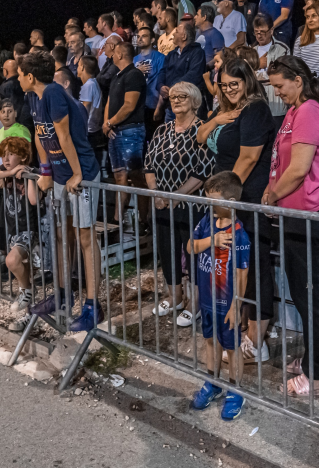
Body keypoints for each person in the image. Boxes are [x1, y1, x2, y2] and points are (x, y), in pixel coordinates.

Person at [264, 55, 319, 396]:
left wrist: (271, 195)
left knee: (314, 295)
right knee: (304, 293)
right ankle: (315, 359)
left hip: (312, 212)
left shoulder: (309, 109)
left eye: (280, 85)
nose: (277, 92)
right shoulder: (298, 109)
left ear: (297, 78)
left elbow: (298, 168)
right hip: (297, 214)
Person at [197, 58, 275, 363]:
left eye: (235, 83)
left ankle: (258, 340)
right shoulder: (224, 109)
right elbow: (200, 137)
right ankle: (240, 327)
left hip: (246, 198)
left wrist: (225, 202)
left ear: (247, 81)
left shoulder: (255, 109)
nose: (230, 89)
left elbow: (248, 159)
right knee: (232, 267)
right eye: (224, 84)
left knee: (254, 267)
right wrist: (217, 120)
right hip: (226, 198)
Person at [19, 51, 103, 332]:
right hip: (58, 176)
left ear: (30, 77)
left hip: (82, 174)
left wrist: (77, 173)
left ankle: (92, 305)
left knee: (85, 237)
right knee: (61, 233)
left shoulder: (53, 92)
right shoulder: (33, 96)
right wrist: (45, 170)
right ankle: (64, 294)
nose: (18, 78)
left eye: (20, 74)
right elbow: (40, 134)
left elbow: (64, 135)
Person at [144, 81, 215, 328]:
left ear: (195, 100)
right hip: (163, 203)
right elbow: (149, 164)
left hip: (190, 205)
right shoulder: (162, 130)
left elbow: (203, 170)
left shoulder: (202, 129)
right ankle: (174, 296)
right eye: (173, 96)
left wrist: (176, 195)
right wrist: (156, 193)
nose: (175, 100)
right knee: (167, 249)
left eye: (182, 96)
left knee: (191, 251)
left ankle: (194, 302)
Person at [187, 170, 250, 422]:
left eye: (213, 200)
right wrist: (211, 241)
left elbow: (242, 274)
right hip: (207, 299)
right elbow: (191, 247)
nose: (208, 204)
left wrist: (237, 305)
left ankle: (235, 391)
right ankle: (212, 383)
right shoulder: (206, 223)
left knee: (232, 347)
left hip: (227, 302)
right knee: (210, 341)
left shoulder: (239, 234)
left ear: (230, 203)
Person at [0, 136, 46, 332]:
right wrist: (8, 172)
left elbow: (34, 201)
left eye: (11, 154)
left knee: (12, 261)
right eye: (3, 155)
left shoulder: (31, 172)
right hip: (13, 229)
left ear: (23, 156)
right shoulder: (6, 171)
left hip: (29, 229)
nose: (6, 159)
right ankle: (29, 315)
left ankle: (26, 292)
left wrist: (27, 178)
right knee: (22, 268)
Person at [104, 41, 148, 220]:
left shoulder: (134, 75)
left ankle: (144, 220)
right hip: (115, 131)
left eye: (114, 52)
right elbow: (109, 102)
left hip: (131, 131)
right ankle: (117, 221)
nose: (111, 55)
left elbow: (129, 105)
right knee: (119, 177)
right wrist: (107, 124)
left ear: (120, 55)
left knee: (135, 177)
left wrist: (110, 122)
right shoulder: (117, 76)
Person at [161, 22, 206, 118]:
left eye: (176, 31)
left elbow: (194, 75)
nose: (173, 34)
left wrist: (172, 87)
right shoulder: (171, 55)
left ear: (184, 36)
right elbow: (162, 72)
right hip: (171, 107)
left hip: (188, 107)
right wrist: (160, 86)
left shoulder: (197, 53)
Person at [293, 0, 319, 78]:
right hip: (307, 84)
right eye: (307, 17)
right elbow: (296, 66)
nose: (310, 20)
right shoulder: (300, 40)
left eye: (314, 16)